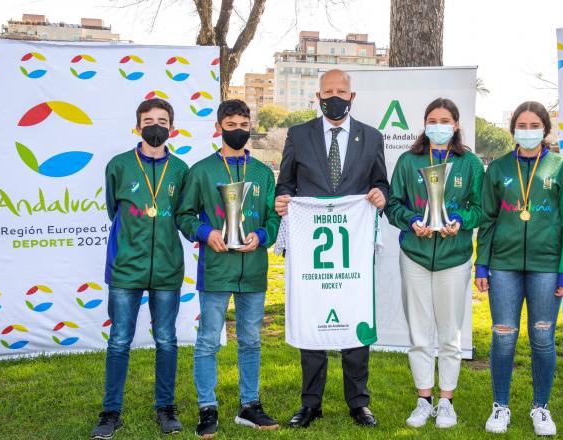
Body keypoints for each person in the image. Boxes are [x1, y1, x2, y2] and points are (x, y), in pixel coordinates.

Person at [275, 68, 389, 428]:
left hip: (351, 249)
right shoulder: (298, 134)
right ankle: (311, 403)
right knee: (313, 320)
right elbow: (286, 183)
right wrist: (282, 199)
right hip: (312, 248)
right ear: (318, 96)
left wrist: (380, 195)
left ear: (352, 96)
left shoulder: (372, 137)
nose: (335, 96)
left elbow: (381, 182)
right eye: (328, 91)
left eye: (342, 91)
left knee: (354, 319)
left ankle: (359, 402)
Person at [175, 99, 281, 438]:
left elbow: (273, 217)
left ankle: (250, 406)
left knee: (250, 339)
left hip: (253, 270)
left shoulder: (263, 173)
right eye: (231, 125)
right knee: (208, 340)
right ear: (219, 128)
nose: (238, 131)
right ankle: (208, 408)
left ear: (251, 126)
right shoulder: (201, 170)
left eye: (243, 124)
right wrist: (207, 234)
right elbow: (185, 216)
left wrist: (262, 235)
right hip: (217, 267)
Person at [475, 101, 563, 436]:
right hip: (503, 266)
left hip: (546, 267)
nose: (529, 131)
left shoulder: (561, 168)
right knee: (503, 337)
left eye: (535, 125)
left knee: (543, 336)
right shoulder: (500, 168)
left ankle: (541, 408)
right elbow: (488, 220)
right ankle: (500, 406)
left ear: (545, 129)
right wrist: (482, 264)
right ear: (513, 129)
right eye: (523, 124)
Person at [91, 98, 188, 439]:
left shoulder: (180, 170)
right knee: (119, 341)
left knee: (166, 340)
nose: (155, 126)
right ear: (137, 126)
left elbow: (183, 214)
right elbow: (111, 210)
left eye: (162, 120)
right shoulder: (118, 165)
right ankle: (110, 412)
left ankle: (166, 408)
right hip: (125, 269)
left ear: (171, 128)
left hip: (166, 269)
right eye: (148, 120)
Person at [385, 97, 484, 429]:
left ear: (455, 125)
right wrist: (412, 221)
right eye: (432, 120)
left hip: (454, 257)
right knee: (419, 331)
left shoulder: (469, 163)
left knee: (450, 333)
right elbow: (393, 204)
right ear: (424, 124)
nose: (438, 125)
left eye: (444, 120)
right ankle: (423, 400)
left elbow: (480, 207)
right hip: (414, 254)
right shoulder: (408, 161)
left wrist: (459, 219)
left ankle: (446, 402)